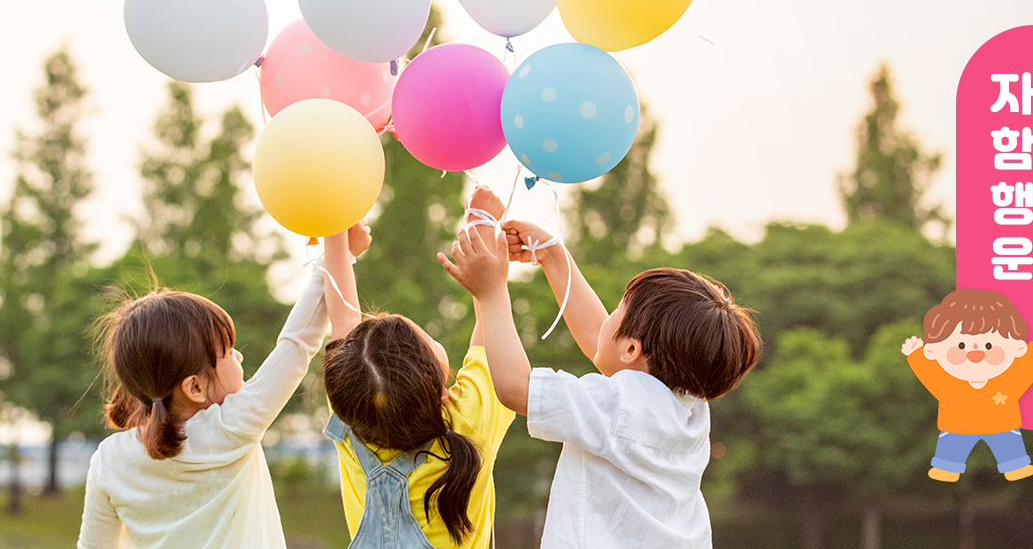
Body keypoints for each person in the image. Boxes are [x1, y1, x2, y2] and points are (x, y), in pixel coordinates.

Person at [441, 217, 760, 548]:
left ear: (632, 348)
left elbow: (515, 387)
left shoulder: (619, 406)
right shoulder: (689, 409)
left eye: (618, 309)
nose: (608, 316)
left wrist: (491, 291)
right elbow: (603, 345)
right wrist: (553, 257)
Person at [76, 226, 367, 549]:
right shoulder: (231, 428)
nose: (239, 355)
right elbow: (297, 344)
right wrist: (339, 251)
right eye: (228, 351)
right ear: (195, 387)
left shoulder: (109, 460)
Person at [315, 189, 517, 549]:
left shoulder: (353, 410)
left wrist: (339, 234)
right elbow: (492, 320)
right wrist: (481, 223)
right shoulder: (468, 422)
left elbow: (342, 314)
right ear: (441, 387)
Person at [900, 289, 1033, 482]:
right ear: (934, 350)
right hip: (959, 425)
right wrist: (916, 355)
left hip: (999, 424)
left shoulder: (1006, 381)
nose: (976, 353)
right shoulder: (949, 384)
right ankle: (947, 466)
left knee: (1007, 444)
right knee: (952, 448)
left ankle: (1014, 464)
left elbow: (1025, 371)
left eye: (989, 345)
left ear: (1017, 348)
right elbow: (930, 375)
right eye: (961, 346)